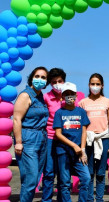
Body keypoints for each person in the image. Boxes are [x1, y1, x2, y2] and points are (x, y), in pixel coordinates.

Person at [43, 68, 85, 201]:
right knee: (49, 172)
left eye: (60, 81)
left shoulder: (69, 97)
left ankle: (62, 199)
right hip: (50, 137)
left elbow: (77, 117)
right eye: (54, 82)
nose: (57, 84)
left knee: (63, 174)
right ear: (50, 83)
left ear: (64, 81)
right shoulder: (46, 97)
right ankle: (47, 199)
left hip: (66, 139)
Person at [13, 66, 49, 201]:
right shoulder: (25, 95)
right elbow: (17, 119)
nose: (40, 80)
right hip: (28, 138)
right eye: (37, 76)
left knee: (34, 179)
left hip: (41, 138)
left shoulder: (40, 97)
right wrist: (18, 142)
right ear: (31, 78)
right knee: (31, 179)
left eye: (43, 77)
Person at [53, 82, 91, 202]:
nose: (69, 96)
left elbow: (84, 132)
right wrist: (74, 145)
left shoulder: (81, 112)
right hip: (63, 152)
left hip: (79, 152)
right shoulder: (59, 113)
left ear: (76, 94)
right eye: (66, 94)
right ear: (62, 96)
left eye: (71, 93)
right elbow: (58, 134)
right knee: (64, 183)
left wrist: (83, 149)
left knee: (86, 178)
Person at [79, 73, 109, 202]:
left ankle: (99, 199)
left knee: (101, 173)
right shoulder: (82, 103)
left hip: (103, 139)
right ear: (89, 85)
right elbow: (81, 123)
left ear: (102, 86)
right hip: (87, 140)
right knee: (89, 172)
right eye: (93, 84)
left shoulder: (108, 102)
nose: (95, 86)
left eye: (98, 84)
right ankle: (88, 199)